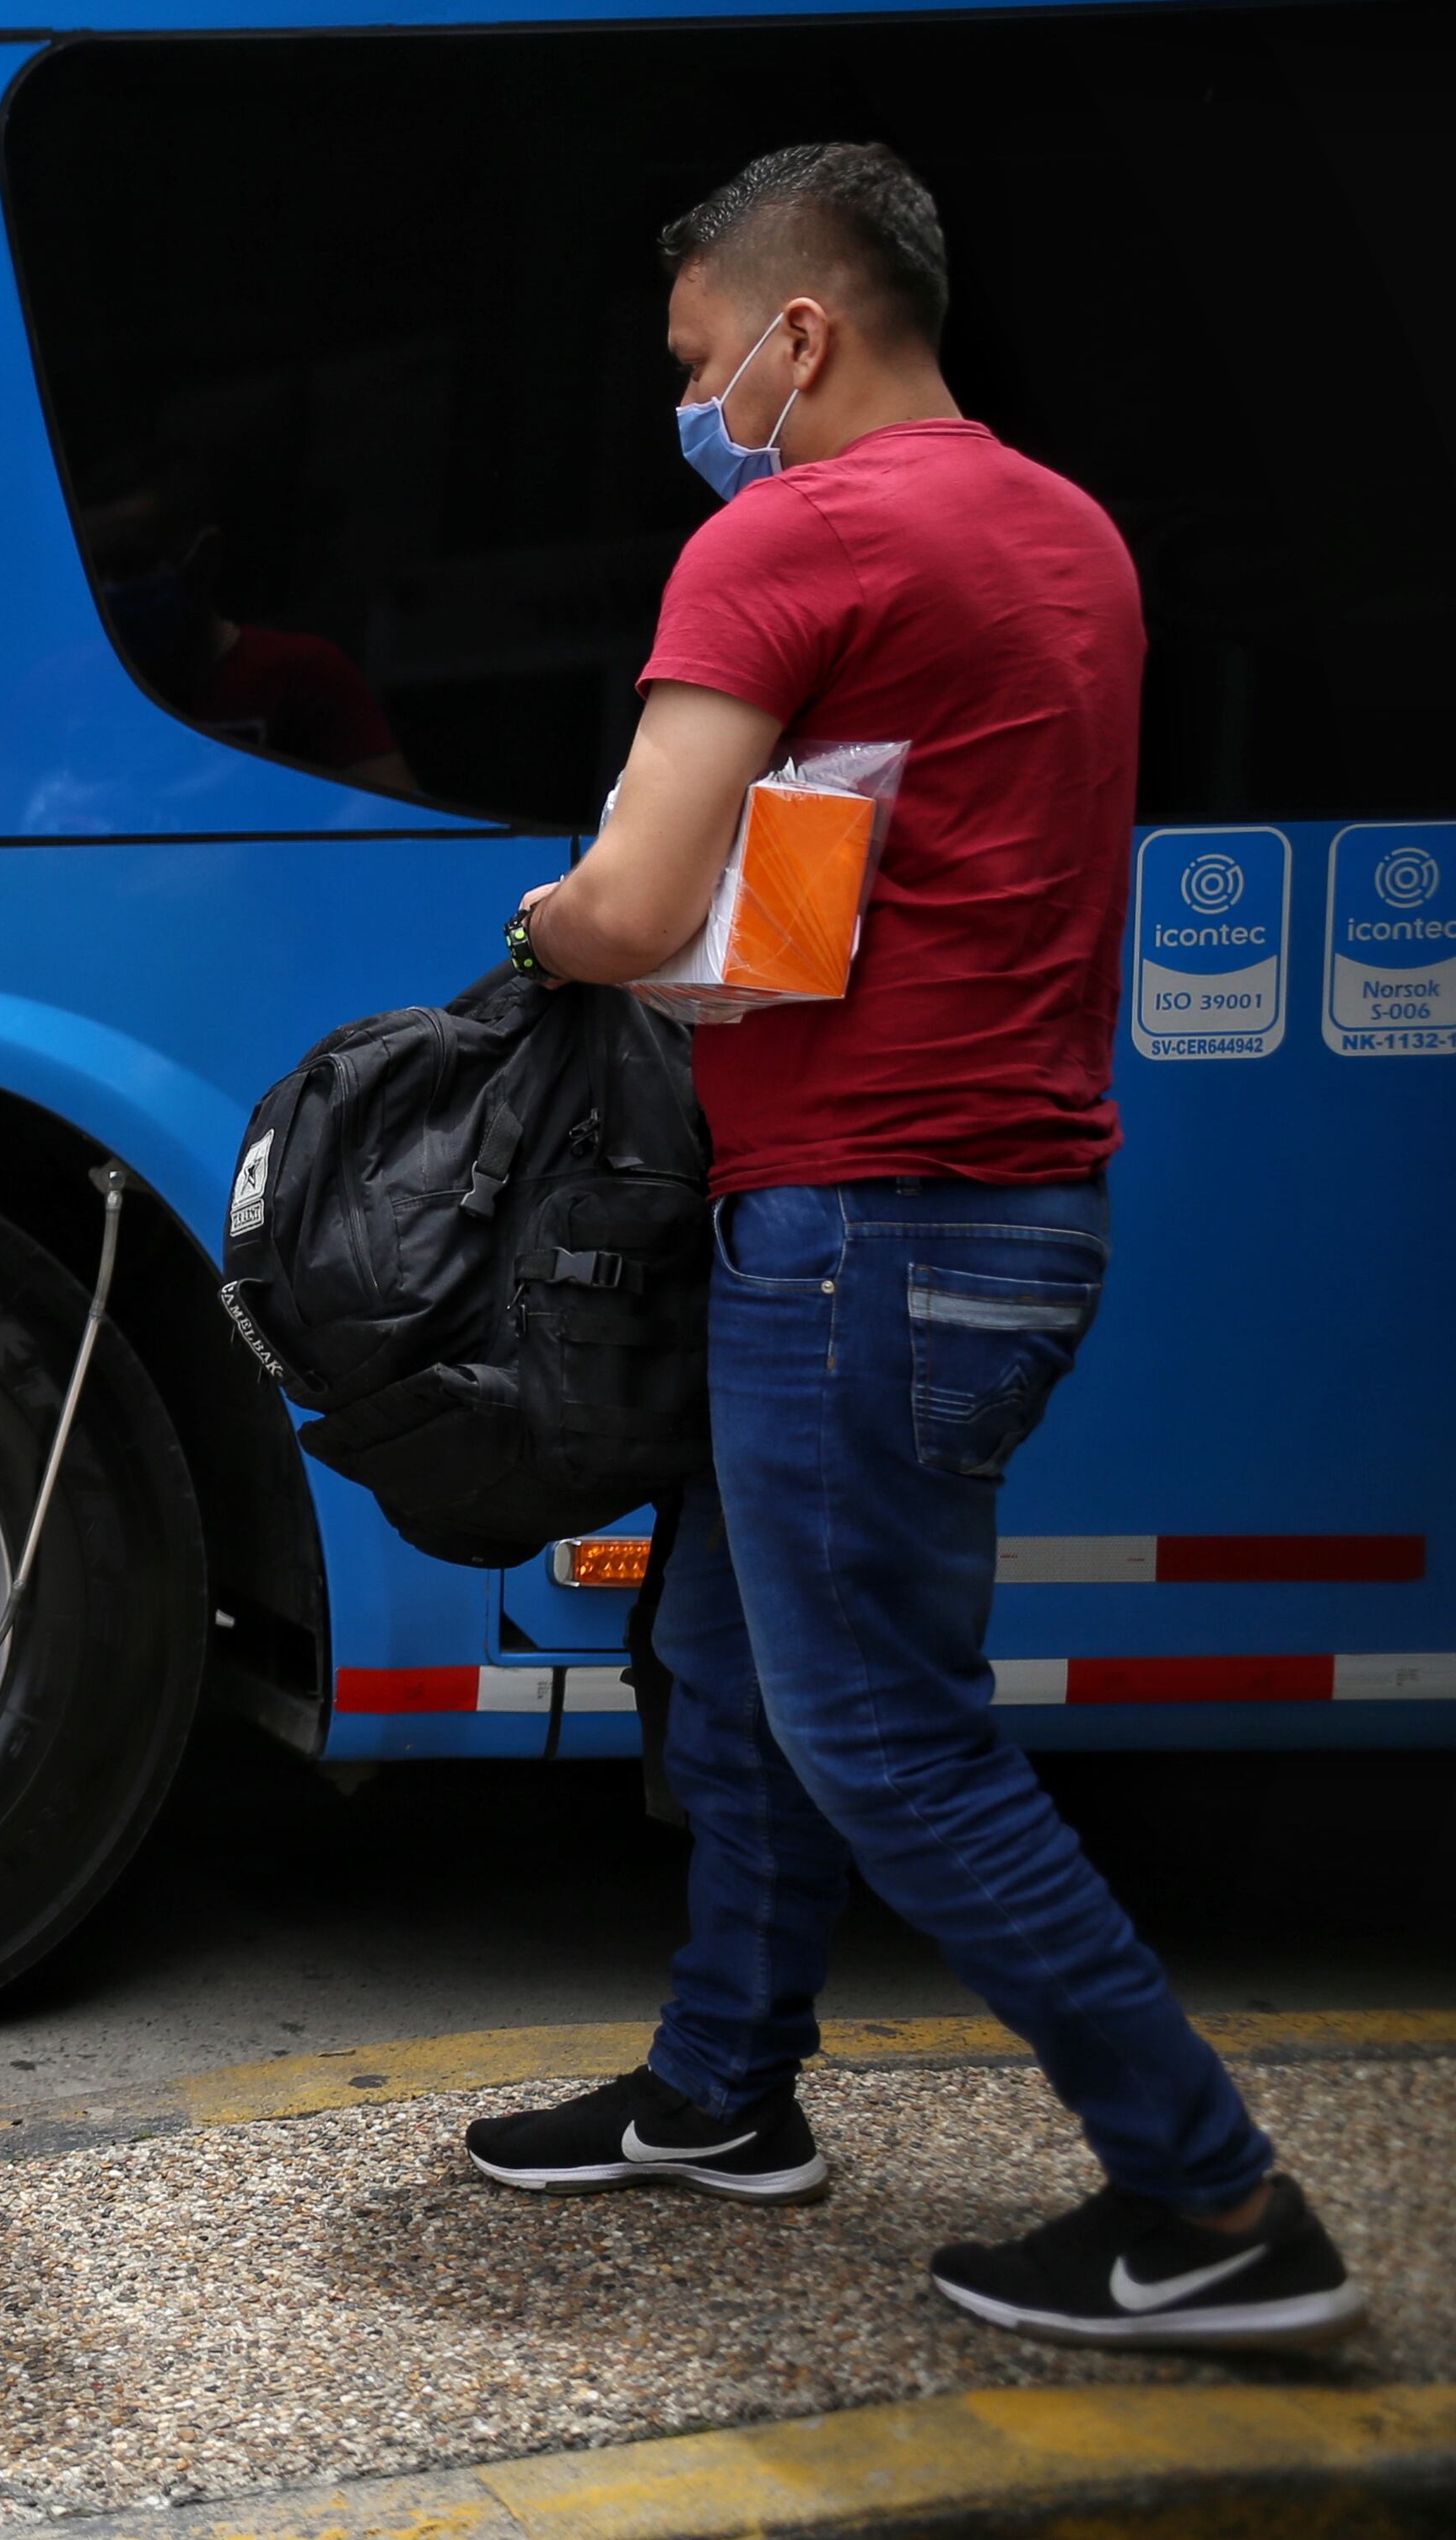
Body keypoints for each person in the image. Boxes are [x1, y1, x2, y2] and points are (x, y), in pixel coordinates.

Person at [460, 144, 1362, 2349]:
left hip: (867, 1228)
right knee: (748, 1670)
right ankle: (719, 2088)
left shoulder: (795, 530)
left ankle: (1214, 2198)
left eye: (697, 363)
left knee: (884, 1731)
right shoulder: (1065, 529)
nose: (694, 412)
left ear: (799, 331)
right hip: (1004, 1207)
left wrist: (552, 920)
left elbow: (633, 899)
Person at [87, 494, 415, 797]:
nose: (110, 589)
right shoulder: (68, 684)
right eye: (93, 569)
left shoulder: (302, 673)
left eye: (132, 565)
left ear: (204, 557)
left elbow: (391, 818)